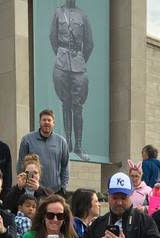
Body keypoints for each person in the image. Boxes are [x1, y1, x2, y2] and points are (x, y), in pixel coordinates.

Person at [48, 0, 93, 158]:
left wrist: (79, 59)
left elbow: (89, 44)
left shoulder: (83, 15)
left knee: (78, 105)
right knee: (65, 102)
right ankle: (67, 143)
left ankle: (79, 146)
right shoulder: (58, 13)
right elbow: (53, 38)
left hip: (78, 63)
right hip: (61, 62)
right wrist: (62, 55)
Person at [17, 109, 70, 194]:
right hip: (32, 190)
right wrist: (23, 184)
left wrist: (63, 188)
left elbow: (65, 166)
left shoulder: (61, 142)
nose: (46, 122)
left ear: (53, 123)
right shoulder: (27, 140)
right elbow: (20, 164)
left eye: (49, 120)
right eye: (44, 120)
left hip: (54, 191)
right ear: (40, 122)